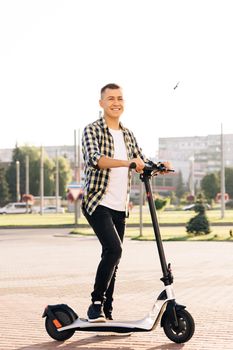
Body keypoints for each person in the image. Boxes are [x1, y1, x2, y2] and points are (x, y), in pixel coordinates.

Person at [81, 83, 171, 322]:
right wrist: (126, 162)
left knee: (113, 258)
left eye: (119, 98)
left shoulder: (128, 134)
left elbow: (141, 159)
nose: (115, 102)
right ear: (101, 103)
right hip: (97, 202)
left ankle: (107, 310)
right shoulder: (92, 130)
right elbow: (95, 159)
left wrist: (161, 166)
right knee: (114, 249)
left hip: (120, 206)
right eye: (110, 98)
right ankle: (95, 304)